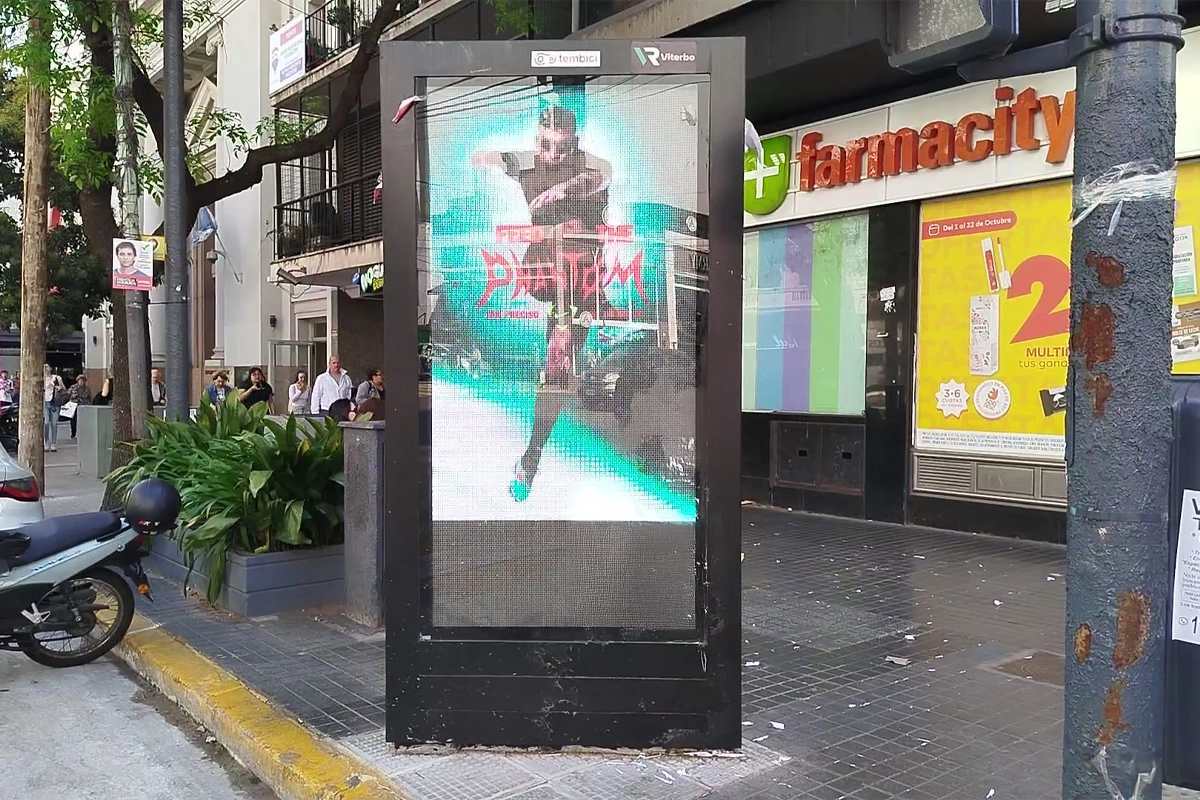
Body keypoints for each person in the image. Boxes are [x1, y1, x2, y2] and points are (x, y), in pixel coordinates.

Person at [472, 105, 614, 502]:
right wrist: (483, 159)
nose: (548, 154)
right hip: (547, 277)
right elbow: (497, 158)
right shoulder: (527, 163)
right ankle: (534, 451)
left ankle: (532, 456)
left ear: (573, 145)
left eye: (557, 147)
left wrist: (564, 190)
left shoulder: (589, 167)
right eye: (543, 144)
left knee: (558, 365)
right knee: (556, 362)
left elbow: (601, 176)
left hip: (581, 282)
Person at [42, 364, 66, 452]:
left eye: (47, 367)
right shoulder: (41, 379)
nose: (45, 369)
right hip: (45, 402)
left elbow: (64, 389)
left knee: (54, 424)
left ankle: (53, 443)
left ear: (51, 368)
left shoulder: (56, 378)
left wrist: (59, 387)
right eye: (44, 367)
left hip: (55, 403)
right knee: (46, 423)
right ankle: (46, 442)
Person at [67, 374, 92, 439]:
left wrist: (89, 405)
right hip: (74, 406)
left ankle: (83, 433)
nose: (82, 382)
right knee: (73, 421)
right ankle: (73, 434)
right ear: (78, 381)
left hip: (83, 406)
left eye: (83, 381)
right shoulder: (73, 387)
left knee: (83, 421)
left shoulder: (87, 389)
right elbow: (68, 395)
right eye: (81, 381)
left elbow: (90, 398)